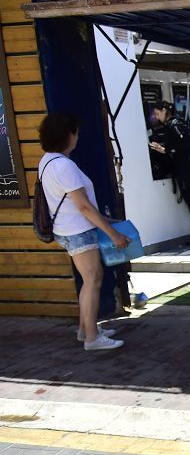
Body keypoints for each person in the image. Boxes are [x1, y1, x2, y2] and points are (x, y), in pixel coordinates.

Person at [38, 112, 129, 351]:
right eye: (75, 132)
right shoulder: (63, 166)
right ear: (67, 135)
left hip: (68, 229)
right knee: (92, 279)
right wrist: (113, 233)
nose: (77, 136)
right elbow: (83, 206)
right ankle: (91, 337)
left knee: (90, 280)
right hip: (78, 230)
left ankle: (85, 329)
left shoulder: (47, 161)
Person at [149, 100, 190, 221]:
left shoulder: (174, 124)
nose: (157, 118)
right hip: (184, 167)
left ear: (164, 111)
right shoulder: (173, 124)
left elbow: (183, 145)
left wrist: (164, 149)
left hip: (185, 168)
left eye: (158, 114)